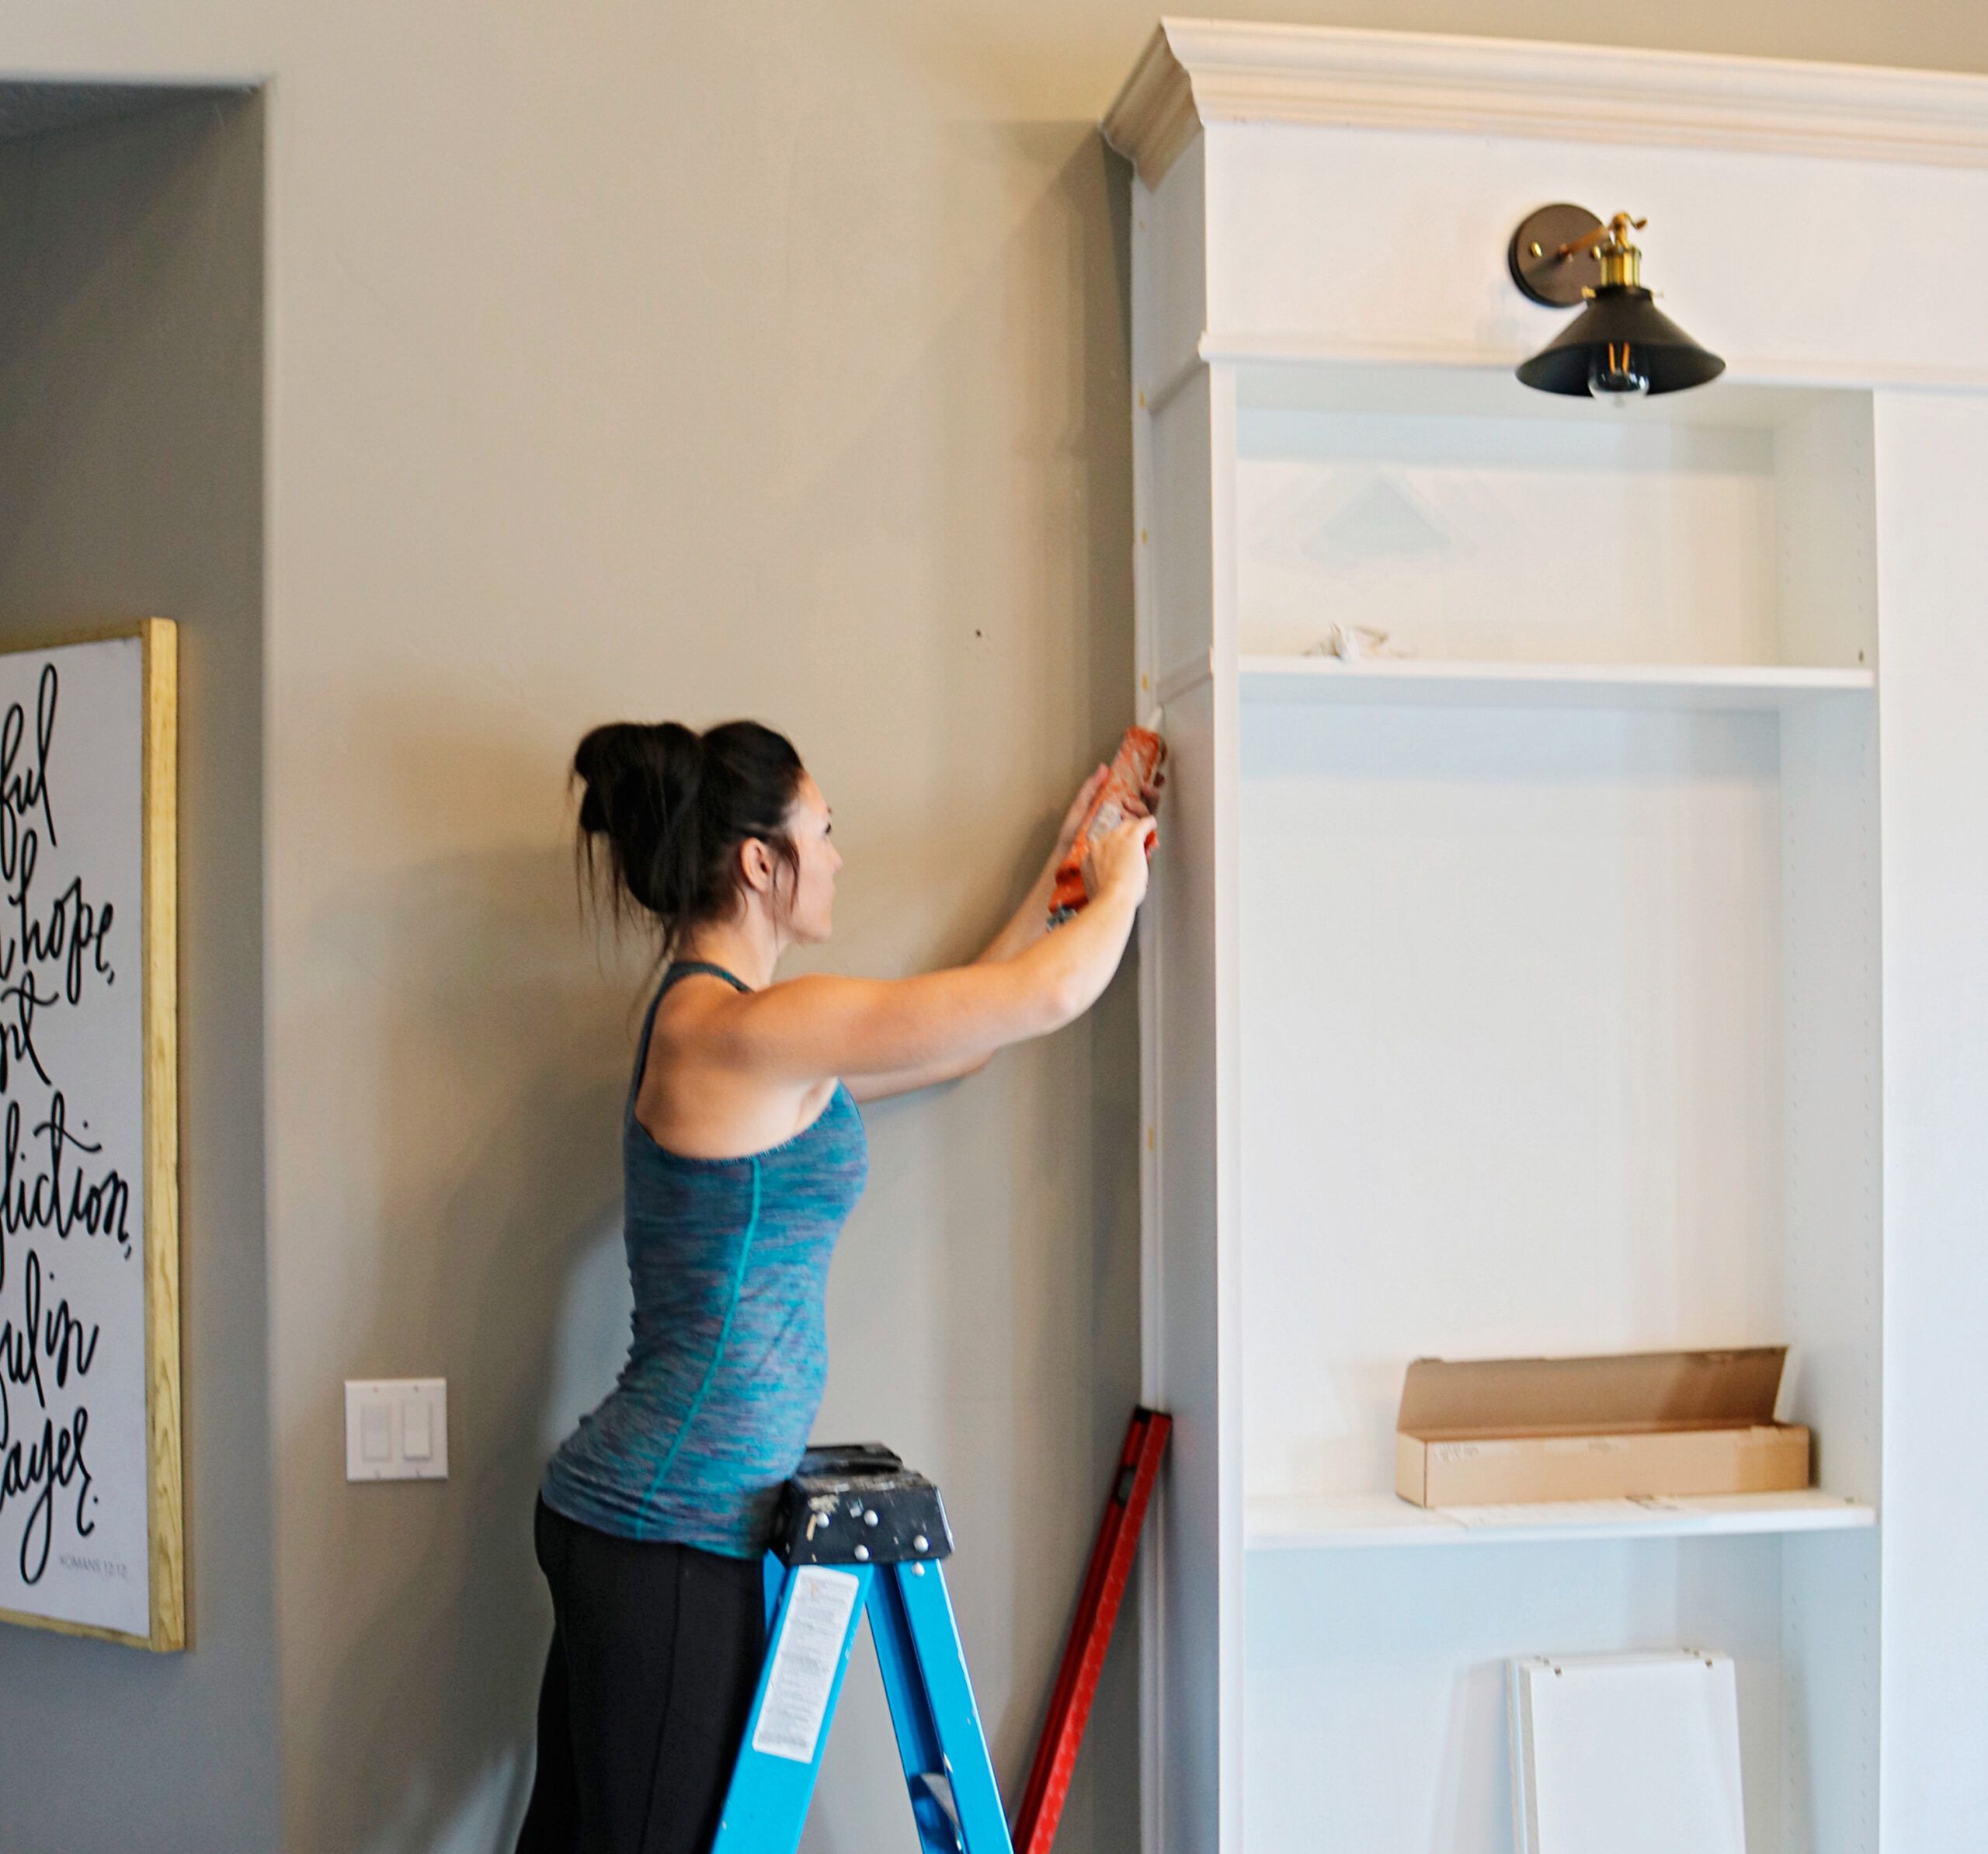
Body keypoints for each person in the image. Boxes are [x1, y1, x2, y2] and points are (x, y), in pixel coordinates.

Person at [516, 717, 1159, 1854]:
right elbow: (1052, 999)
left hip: (648, 1522)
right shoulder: (747, 1028)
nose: (841, 855)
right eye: (825, 829)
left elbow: (962, 1036)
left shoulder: (738, 1026)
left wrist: (1064, 873)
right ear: (763, 862)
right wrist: (1121, 885)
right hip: (669, 1531)